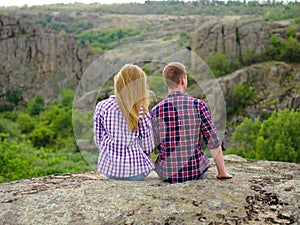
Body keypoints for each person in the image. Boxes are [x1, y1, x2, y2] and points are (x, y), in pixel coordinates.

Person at [151, 62, 232, 183]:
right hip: (195, 171)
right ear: (183, 80)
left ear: (166, 82)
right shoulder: (198, 105)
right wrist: (222, 172)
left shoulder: (155, 111)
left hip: (167, 174)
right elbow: (213, 141)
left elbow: (152, 145)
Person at [94, 64, 155, 181]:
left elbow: (98, 141)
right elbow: (148, 146)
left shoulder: (102, 106)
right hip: (137, 173)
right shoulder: (141, 110)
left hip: (109, 171)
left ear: (118, 82)